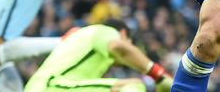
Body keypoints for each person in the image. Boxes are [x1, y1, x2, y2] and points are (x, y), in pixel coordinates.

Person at [24, 19, 173, 92]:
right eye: (130, 44)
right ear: (123, 34)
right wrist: (158, 76)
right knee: (132, 86)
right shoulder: (103, 31)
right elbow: (118, 47)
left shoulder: (81, 41)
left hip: (43, 87)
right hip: (52, 87)